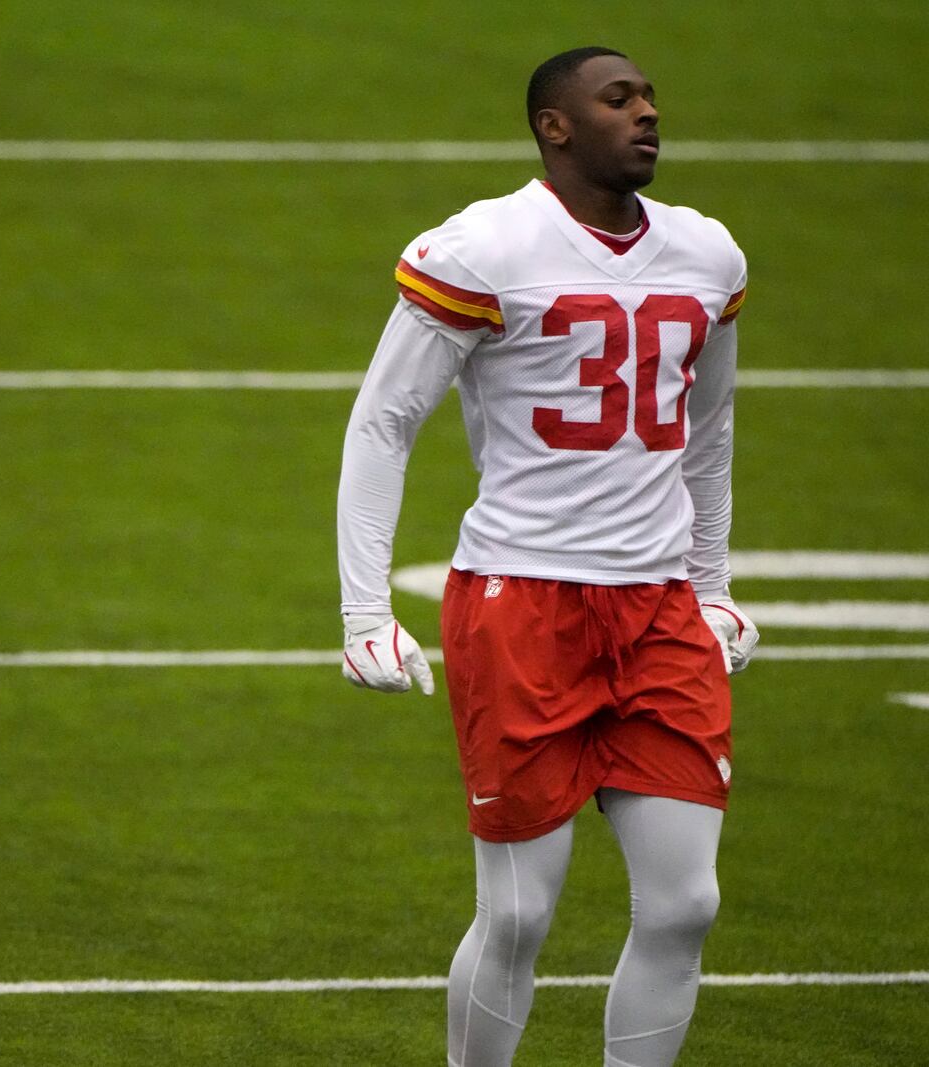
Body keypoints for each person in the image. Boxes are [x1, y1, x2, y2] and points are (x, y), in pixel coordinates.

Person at [336, 48, 761, 1067]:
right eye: (619, 99)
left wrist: (710, 586)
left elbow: (706, 432)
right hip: (520, 602)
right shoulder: (484, 246)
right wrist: (361, 612)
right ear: (553, 126)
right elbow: (381, 422)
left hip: (658, 611)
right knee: (521, 915)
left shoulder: (706, 255)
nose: (648, 113)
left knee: (685, 902)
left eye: (651, 96)